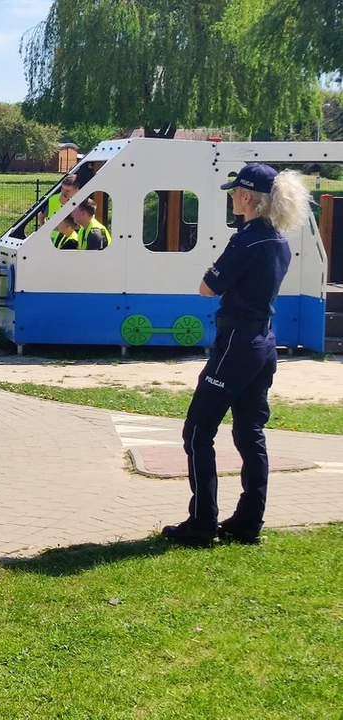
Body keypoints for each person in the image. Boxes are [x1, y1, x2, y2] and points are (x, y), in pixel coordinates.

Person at [161, 164, 310, 547]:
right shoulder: (277, 239)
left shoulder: (246, 240)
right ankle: (247, 521)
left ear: (248, 197)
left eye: (235, 192)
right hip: (263, 342)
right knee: (249, 432)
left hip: (236, 343)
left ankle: (201, 522)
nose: (231, 198)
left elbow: (208, 287)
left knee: (197, 432)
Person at [41, 173, 78, 242]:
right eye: (62, 189)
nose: (64, 192)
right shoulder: (53, 199)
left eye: (68, 191)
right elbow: (41, 216)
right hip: (52, 239)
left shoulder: (81, 203)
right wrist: (44, 232)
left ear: (76, 190)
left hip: (70, 241)